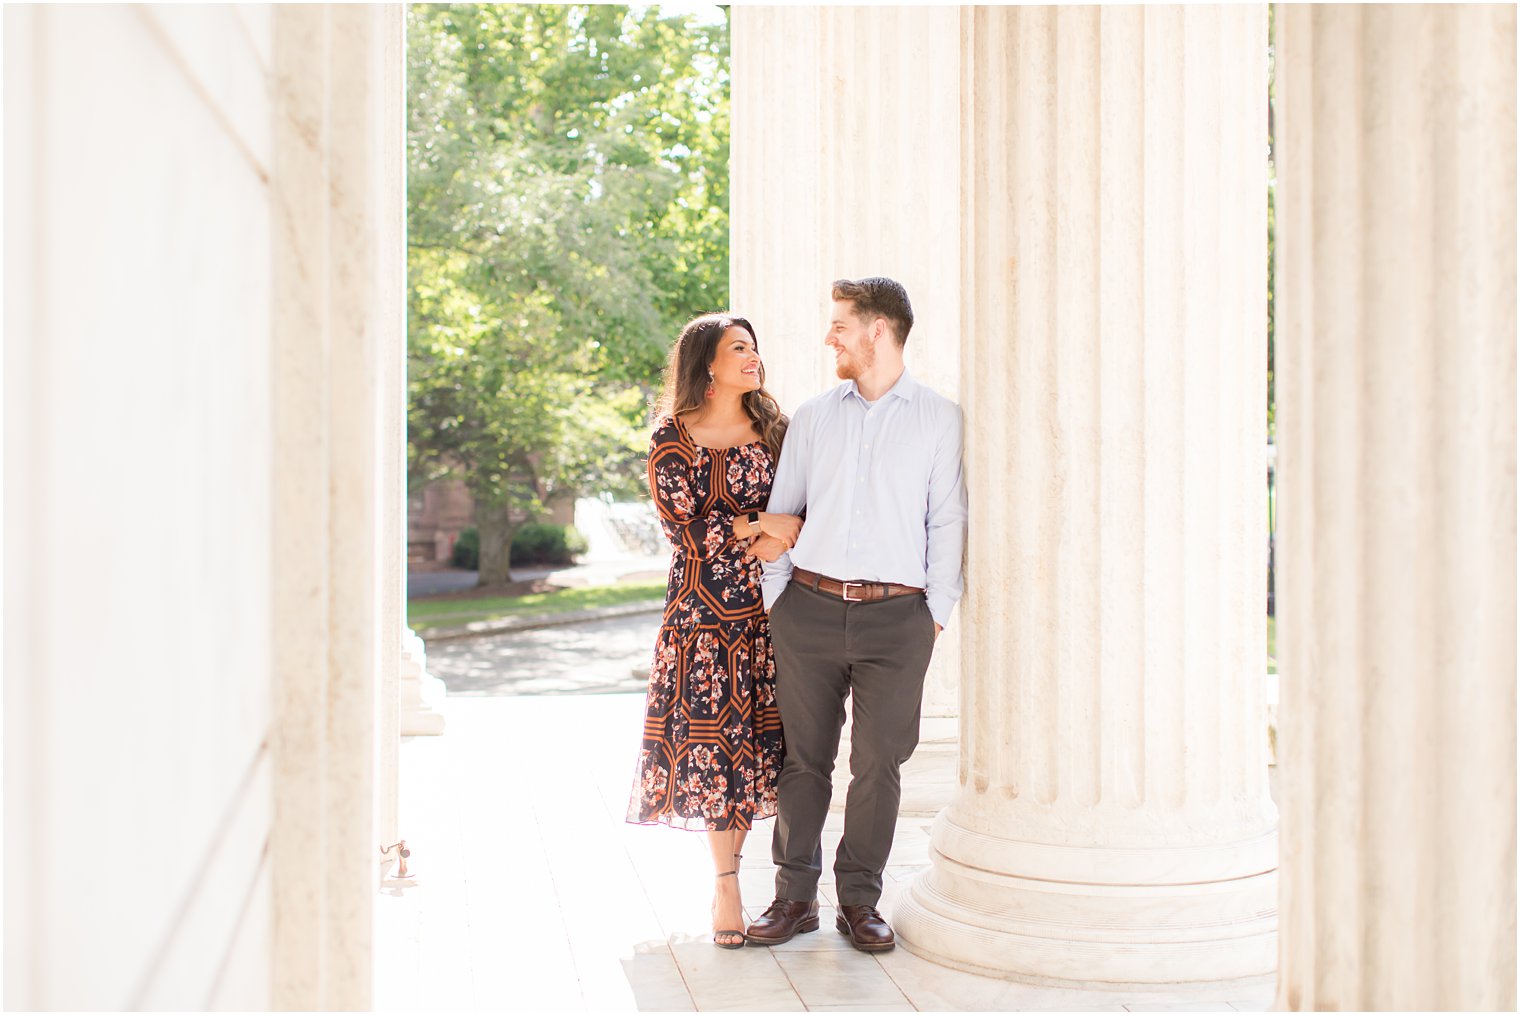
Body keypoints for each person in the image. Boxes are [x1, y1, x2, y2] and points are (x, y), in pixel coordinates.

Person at [744, 277, 968, 953]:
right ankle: (793, 896)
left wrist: (933, 612)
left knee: (879, 763)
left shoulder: (939, 418)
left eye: (840, 325)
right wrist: (777, 596)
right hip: (806, 610)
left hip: (898, 620)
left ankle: (860, 898)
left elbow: (947, 518)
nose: (828, 337)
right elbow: (785, 510)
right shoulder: (815, 416)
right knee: (803, 760)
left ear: (879, 330)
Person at [626, 313, 804, 949]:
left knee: (761, 749)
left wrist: (763, 533)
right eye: (739, 349)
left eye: (755, 346)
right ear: (708, 364)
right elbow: (685, 534)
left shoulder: (777, 432)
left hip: (773, 611)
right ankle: (726, 885)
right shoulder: (670, 440)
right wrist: (756, 524)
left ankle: (786, 883)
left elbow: (801, 515)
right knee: (715, 750)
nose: (754, 357)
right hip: (700, 621)